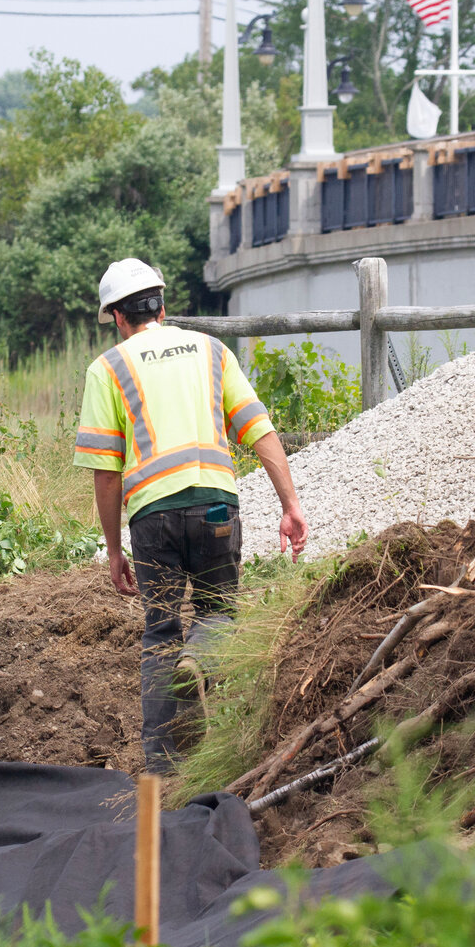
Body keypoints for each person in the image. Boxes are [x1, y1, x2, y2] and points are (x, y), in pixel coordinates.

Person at [74, 258, 308, 774]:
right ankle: (199, 665)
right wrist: (290, 505)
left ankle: (160, 766)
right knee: (218, 614)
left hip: (152, 518)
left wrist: (114, 549)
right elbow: (258, 429)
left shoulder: (107, 369)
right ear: (163, 302)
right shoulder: (211, 350)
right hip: (217, 505)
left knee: (160, 632)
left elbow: (107, 475)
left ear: (116, 316)